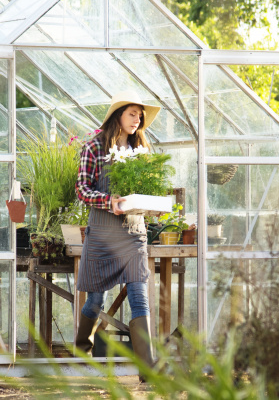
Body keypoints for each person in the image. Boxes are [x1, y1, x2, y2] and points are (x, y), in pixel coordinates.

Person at [74, 91, 161, 374]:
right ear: (118, 115)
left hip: (133, 233)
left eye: (140, 116)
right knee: (96, 300)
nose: (137, 120)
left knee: (139, 294)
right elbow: (82, 190)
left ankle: (147, 369)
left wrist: (153, 205)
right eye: (132, 114)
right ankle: (82, 348)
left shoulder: (142, 150)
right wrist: (108, 202)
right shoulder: (95, 148)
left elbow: (148, 190)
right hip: (102, 234)